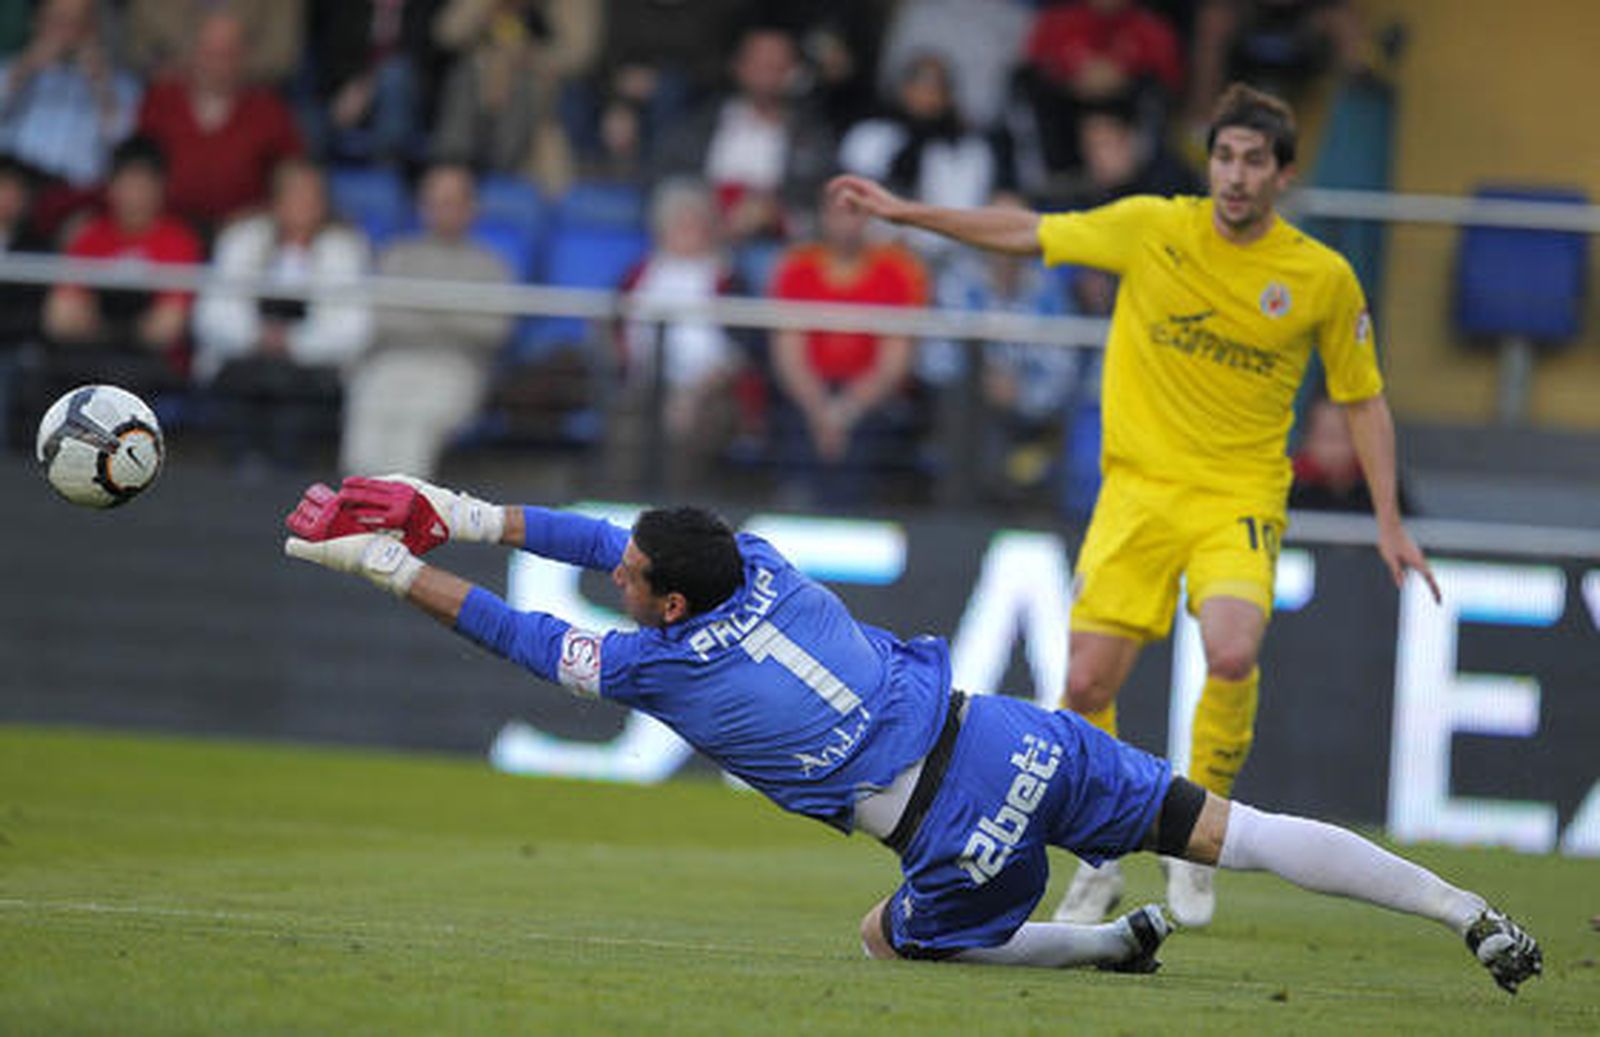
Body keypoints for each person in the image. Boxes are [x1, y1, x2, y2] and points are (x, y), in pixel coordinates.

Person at [279, 475, 1541, 993]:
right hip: (1013, 733)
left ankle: (1100, 945)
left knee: (887, 941)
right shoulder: (757, 564)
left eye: (634, 577)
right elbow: (608, 542)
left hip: (947, 826)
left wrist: (394, 563)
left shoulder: (650, 667)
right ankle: (1463, 910)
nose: (618, 577)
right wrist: (466, 508)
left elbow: (510, 632)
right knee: (1237, 829)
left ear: (668, 602)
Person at [827, 82, 1439, 929]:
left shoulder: (1320, 277)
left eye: (1253, 161)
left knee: (1230, 649)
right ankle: (1100, 856)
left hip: (1238, 496)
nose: (1234, 174)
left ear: (1283, 177)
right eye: (1223, 156)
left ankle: (1201, 832)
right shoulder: (1153, 225)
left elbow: (1363, 398)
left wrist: (1389, 519)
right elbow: (1027, 232)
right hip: (1137, 493)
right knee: (1084, 679)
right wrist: (907, 212)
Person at [194, 158, 372, 470]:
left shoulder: (344, 248)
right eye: (293, 195)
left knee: (293, 401)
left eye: (310, 197)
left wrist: (293, 343)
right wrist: (257, 337)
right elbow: (211, 313)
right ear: (275, 201)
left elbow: (353, 328)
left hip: (312, 370)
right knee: (246, 388)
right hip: (246, 358)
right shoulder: (242, 239)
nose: (302, 205)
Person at [17, 137, 202, 434]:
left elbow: (165, 328)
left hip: (149, 365)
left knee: (125, 377)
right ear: (111, 187)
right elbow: (59, 319)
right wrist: (124, 325)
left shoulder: (177, 240)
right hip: (90, 360)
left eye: (144, 185)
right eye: (128, 184)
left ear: (160, 189)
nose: (135, 195)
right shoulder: (90, 235)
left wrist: (100, 320)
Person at [339, 163, 512, 479]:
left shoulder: (491, 264)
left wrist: (418, 308)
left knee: (415, 423)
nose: (443, 210)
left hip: (456, 367)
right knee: (369, 407)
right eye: (435, 202)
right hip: (391, 360)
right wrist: (453, 311)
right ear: (422, 206)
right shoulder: (397, 254)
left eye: (452, 202)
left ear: (471, 207)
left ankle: (402, 520)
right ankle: (359, 514)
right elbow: (382, 319)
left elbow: (493, 330)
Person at [767, 189, 927, 508]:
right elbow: (789, 357)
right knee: (793, 429)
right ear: (822, 216)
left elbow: (893, 364)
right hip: (810, 395)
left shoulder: (899, 270)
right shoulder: (796, 267)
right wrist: (821, 410)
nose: (845, 223)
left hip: (872, 399)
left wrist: (845, 411)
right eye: (837, 212)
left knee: (867, 439)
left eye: (854, 212)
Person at [135, 11, 304, 236]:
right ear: (193, 53)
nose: (217, 65)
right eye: (209, 53)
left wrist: (261, 213)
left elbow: (293, 179)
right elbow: (136, 171)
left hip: (247, 233)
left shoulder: (268, 111)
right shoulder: (160, 102)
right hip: (166, 229)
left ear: (244, 57)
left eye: (227, 55)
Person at [0, 0, 139, 187]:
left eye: (78, 23)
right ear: (36, 22)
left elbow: (122, 142)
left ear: (93, 28)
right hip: (16, 192)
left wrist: (100, 84)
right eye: (58, 21)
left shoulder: (119, 83)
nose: (67, 32)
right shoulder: (10, 70)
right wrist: (26, 67)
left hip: (79, 194)